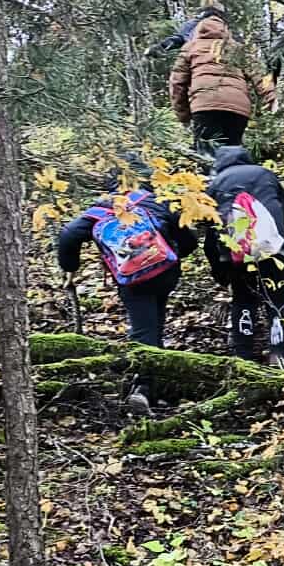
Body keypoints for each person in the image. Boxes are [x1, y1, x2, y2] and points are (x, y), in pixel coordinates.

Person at [56, 169, 196, 417]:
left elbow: (68, 234)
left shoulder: (101, 209)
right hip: (165, 272)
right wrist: (175, 254)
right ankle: (153, 379)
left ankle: (143, 386)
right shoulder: (155, 200)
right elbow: (188, 237)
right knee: (154, 321)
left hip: (133, 279)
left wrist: (70, 268)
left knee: (143, 328)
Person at [203, 145, 284, 367]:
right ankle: (279, 354)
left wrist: (219, 269)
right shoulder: (265, 175)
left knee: (243, 299)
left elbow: (211, 231)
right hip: (273, 249)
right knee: (278, 300)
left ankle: (243, 357)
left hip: (235, 254)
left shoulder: (216, 184)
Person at [169, 6, 273, 154]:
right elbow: (260, 75)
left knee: (208, 157)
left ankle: (211, 169)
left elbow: (177, 83)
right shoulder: (238, 48)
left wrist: (184, 116)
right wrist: (271, 98)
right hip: (237, 108)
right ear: (225, 28)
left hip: (204, 106)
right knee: (232, 154)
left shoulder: (190, 47)